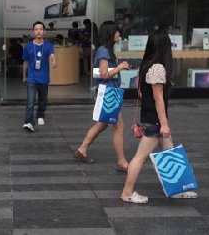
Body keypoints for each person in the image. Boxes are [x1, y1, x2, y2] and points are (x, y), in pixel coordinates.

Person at [120, 29, 198, 203]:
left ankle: (177, 189)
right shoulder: (157, 67)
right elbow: (158, 98)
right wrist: (164, 124)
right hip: (154, 120)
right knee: (140, 157)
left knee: (170, 152)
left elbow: (142, 92)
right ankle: (127, 192)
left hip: (152, 118)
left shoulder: (146, 64)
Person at [73, 21, 131, 172]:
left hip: (108, 92)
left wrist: (119, 67)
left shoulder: (105, 50)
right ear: (110, 33)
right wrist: (120, 67)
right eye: (117, 31)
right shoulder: (104, 51)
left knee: (102, 124)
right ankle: (121, 162)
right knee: (119, 126)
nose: (119, 34)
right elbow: (105, 75)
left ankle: (82, 149)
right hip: (109, 93)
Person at [22, 21, 57, 132]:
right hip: (31, 78)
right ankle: (28, 122)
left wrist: (54, 61)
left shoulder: (48, 45)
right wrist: (24, 75)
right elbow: (25, 62)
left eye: (41, 29)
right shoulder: (28, 46)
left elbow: (52, 55)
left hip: (43, 78)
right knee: (30, 101)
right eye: (36, 29)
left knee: (43, 100)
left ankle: (40, 115)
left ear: (44, 31)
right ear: (33, 31)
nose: (38, 31)